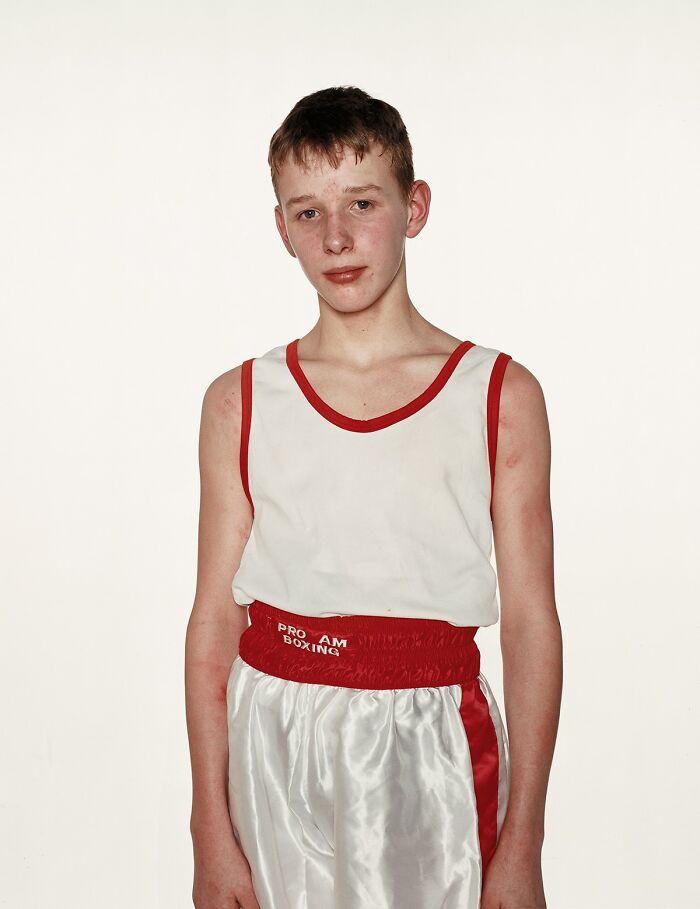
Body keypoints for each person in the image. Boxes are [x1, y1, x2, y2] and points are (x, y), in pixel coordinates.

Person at [186, 85, 562, 909]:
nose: (337, 237)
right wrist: (208, 823)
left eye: (362, 202)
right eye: (308, 212)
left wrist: (524, 838)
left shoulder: (496, 395)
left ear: (414, 206)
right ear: (281, 228)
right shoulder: (240, 401)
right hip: (272, 745)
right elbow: (215, 615)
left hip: (429, 748)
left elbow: (531, 620)